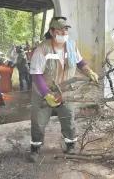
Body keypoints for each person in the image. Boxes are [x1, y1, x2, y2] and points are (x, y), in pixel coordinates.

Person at [28, 16, 99, 162]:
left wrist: (89, 71)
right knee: (39, 121)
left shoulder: (71, 46)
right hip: (44, 92)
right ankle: (35, 148)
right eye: (59, 29)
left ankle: (70, 145)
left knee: (68, 118)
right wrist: (46, 95)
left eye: (65, 29)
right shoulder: (42, 49)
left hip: (66, 91)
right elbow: (36, 74)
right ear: (52, 31)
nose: (63, 32)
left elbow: (80, 62)